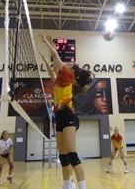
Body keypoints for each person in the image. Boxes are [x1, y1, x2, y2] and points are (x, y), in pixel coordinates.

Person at [39, 33, 94, 189]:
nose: (65, 64)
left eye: (68, 64)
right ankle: (67, 185)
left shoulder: (69, 75)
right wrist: (45, 58)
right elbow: (51, 71)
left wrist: (47, 43)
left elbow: (56, 57)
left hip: (69, 115)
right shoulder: (59, 79)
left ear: (72, 71)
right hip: (59, 117)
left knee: (72, 153)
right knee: (63, 156)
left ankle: (82, 186)